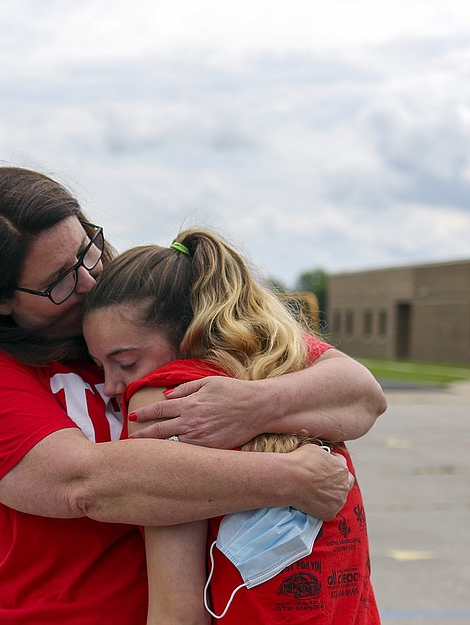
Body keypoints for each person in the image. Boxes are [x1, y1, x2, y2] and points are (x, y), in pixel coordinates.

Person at [0, 165, 385, 625]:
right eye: (59, 280)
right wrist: (289, 478)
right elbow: (86, 484)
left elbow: (360, 394)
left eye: (87, 250)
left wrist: (251, 405)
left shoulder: (137, 314)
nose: (89, 280)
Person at [83, 228, 380, 624]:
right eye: (100, 365)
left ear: (189, 329)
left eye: (125, 361)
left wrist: (251, 408)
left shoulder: (163, 400)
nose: (110, 386)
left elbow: (178, 609)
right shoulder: (291, 365)